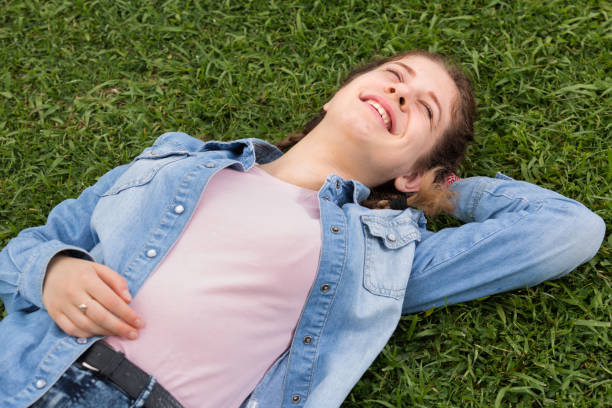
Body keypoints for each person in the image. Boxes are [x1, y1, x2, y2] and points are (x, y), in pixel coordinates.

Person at [0, 50, 605, 408]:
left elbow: (567, 230)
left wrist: (445, 191)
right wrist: (52, 270)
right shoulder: (176, 158)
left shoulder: (383, 257)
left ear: (415, 171)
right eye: (395, 74)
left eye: (425, 108)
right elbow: (23, 251)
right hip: (24, 374)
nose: (400, 90)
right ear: (335, 96)